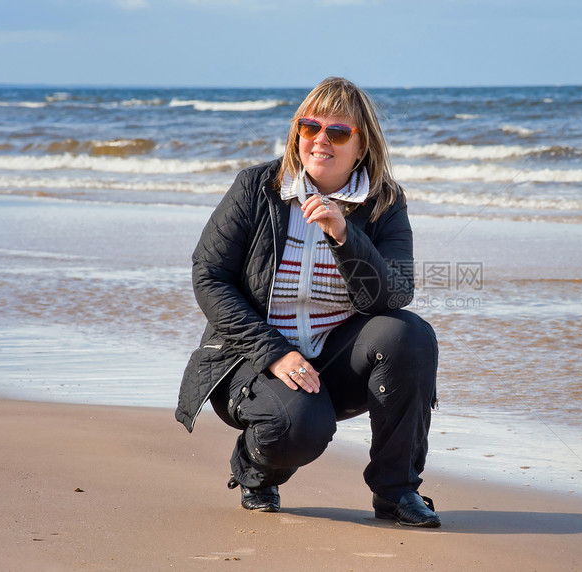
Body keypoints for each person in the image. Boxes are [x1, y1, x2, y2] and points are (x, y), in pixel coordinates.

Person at [175, 77, 440, 528]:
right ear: (296, 132)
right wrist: (274, 352)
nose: (321, 140)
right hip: (251, 360)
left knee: (409, 334)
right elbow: (209, 276)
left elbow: (394, 295)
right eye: (309, 126)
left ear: (362, 145)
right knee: (300, 428)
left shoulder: (384, 203)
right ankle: (256, 471)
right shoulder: (257, 187)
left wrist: (344, 234)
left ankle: (396, 492)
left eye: (338, 132)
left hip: (334, 361)